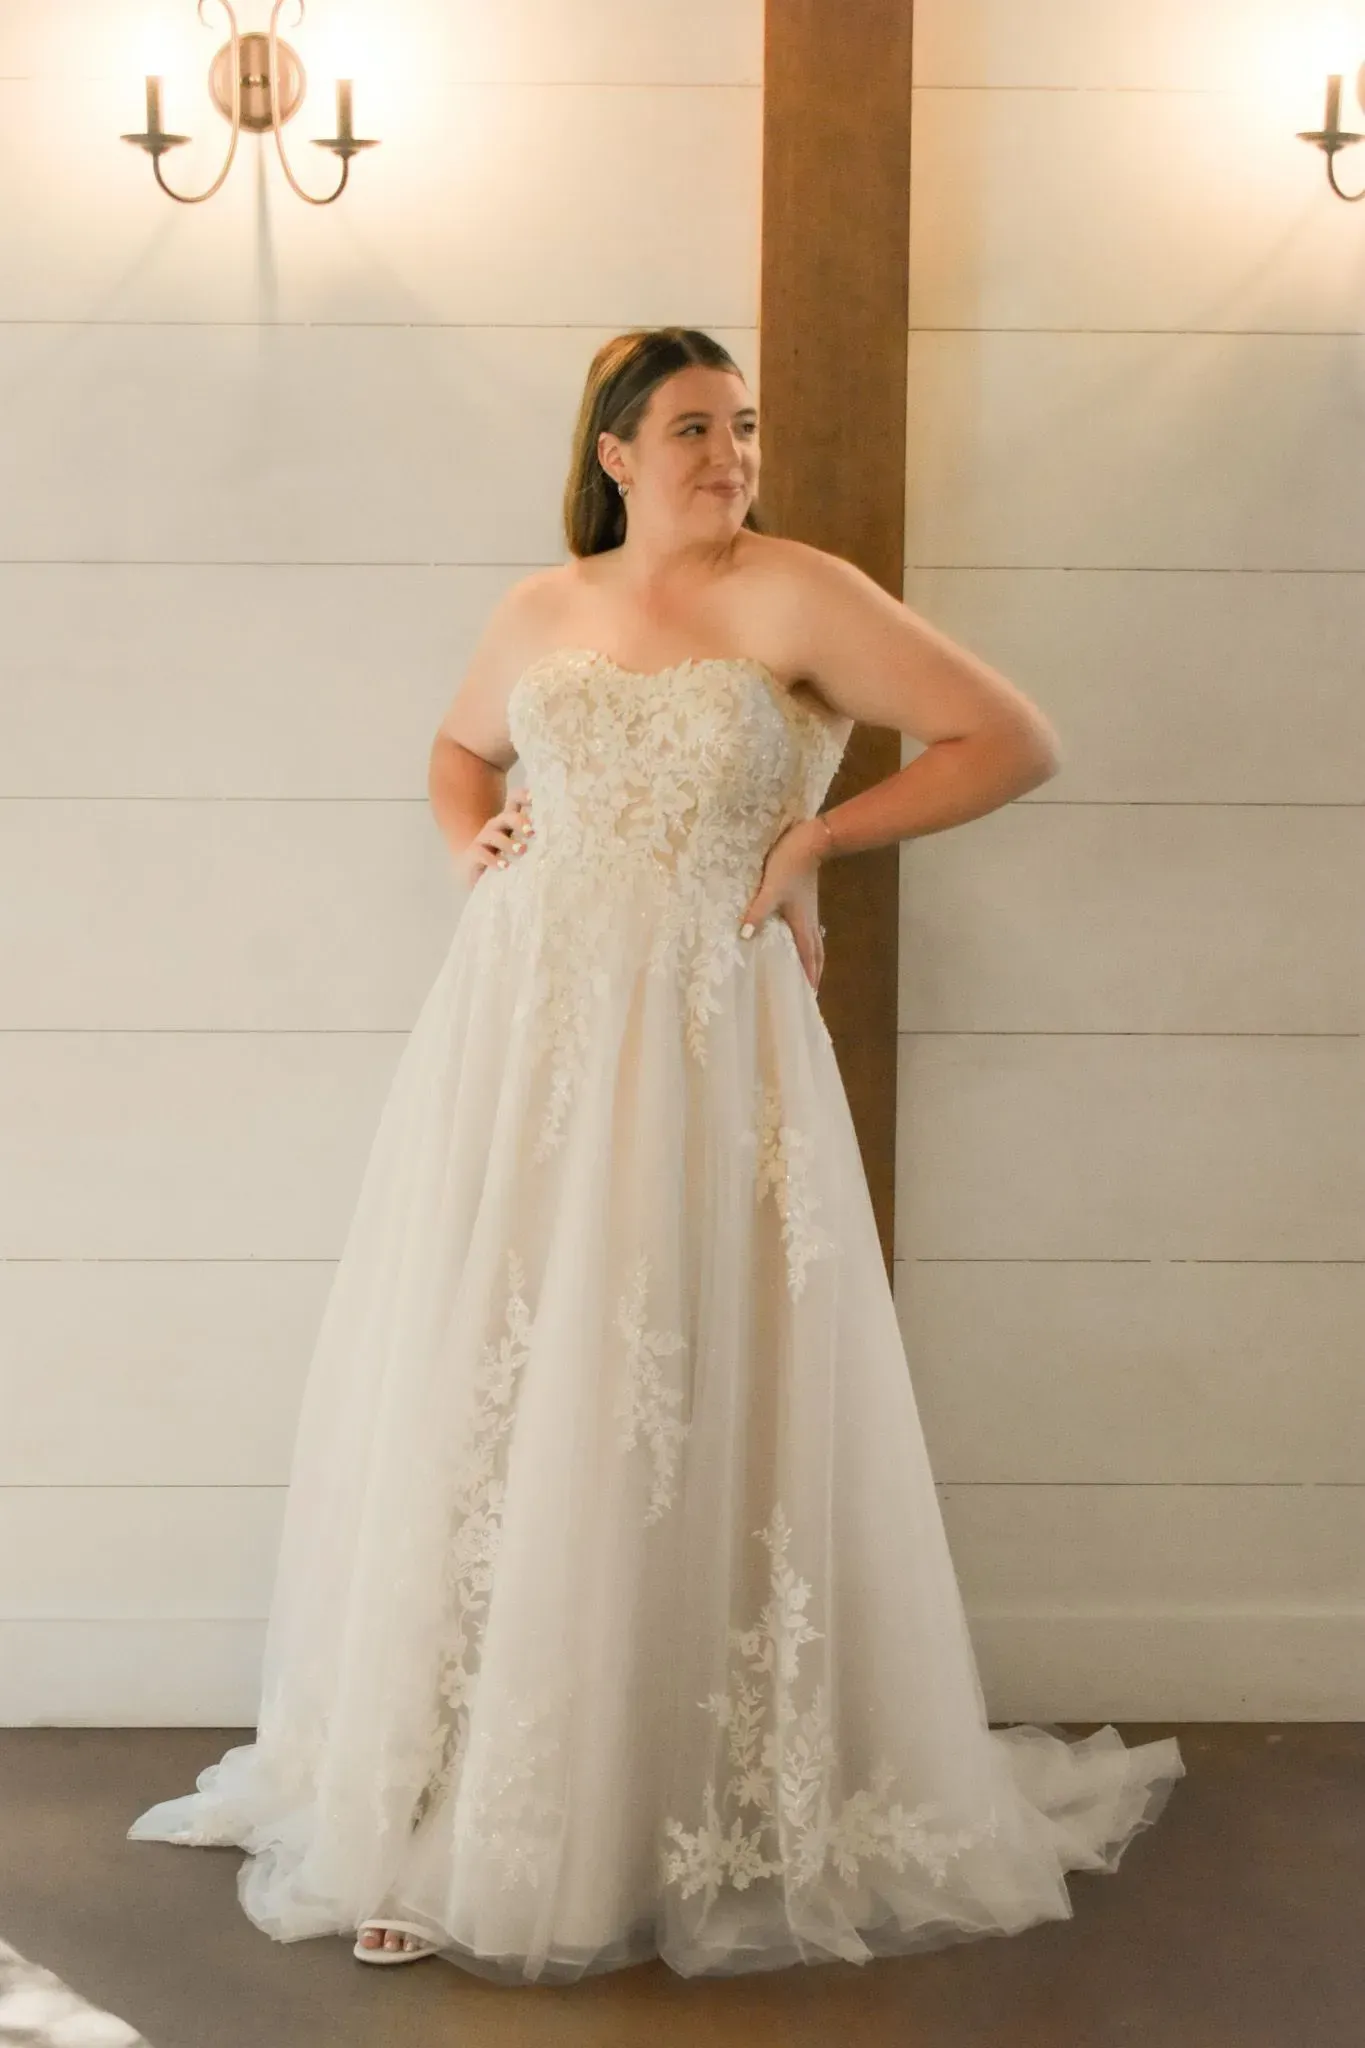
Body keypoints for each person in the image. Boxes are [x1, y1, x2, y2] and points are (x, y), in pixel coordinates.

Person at [127, 326, 1184, 1983]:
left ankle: (655, 1796)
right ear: (614, 452)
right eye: (694, 429)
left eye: (744, 427)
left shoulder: (802, 594)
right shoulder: (542, 608)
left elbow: (1011, 740)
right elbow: (458, 747)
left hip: (700, 1049)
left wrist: (818, 836)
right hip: (518, 1037)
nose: (729, 455)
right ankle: (440, 1804)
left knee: (669, 1382)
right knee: (492, 1372)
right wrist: (465, 838)